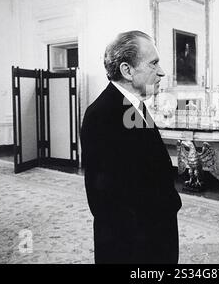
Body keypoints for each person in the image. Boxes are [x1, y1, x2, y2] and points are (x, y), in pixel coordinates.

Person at [80, 30, 182, 264]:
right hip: (134, 248)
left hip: (152, 236)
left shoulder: (132, 106)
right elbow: (107, 200)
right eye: (153, 63)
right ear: (127, 70)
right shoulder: (102, 115)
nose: (162, 72)